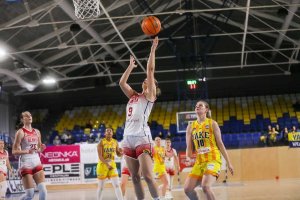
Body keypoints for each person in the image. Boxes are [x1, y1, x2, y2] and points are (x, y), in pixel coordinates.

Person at [119, 36, 160, 200]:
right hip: (127, 138)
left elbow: (150, 70)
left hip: (142, 138)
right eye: (144, 81)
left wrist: (152, 50)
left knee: (148, 176)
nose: (146, 81)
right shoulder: (134, 95)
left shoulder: (149, 95)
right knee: (134, 177)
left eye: (149, 81)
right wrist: (130, 67)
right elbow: (122, 83)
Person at [184, 100, 234, 200]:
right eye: (196, 106)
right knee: (187, 189)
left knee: (205, 186)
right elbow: (189, 147)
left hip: (213, 160)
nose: (197, 107)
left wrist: (229, 163)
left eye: (200, 106)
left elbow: (220, 144)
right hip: (199, 162)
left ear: (206, 109)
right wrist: (188, 157)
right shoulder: (190, 127)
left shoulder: (213, 124)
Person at [12, 111, 47, 200]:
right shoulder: (20, 132)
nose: (29, 117)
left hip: (36, 161)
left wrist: (41, 149)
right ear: (22, 119)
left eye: (30, 115)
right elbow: (14, 151)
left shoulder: (37, 132)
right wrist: (27, 151)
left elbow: (38, 148)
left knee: (43, 191)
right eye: (26, 116)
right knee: (30, 195)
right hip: (25, 163)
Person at [96, 127, 123, 200]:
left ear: (112, 133)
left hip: (112, 165)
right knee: (101, 187)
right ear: (105, 133)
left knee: (117, 185)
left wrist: (121, 153)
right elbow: (100, 156)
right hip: (102, 165)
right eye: (107, 131)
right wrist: (107, 164)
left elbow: (118, 154)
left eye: (110, 131)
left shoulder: (115, 142)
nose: (108, 132)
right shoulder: (101, 142)